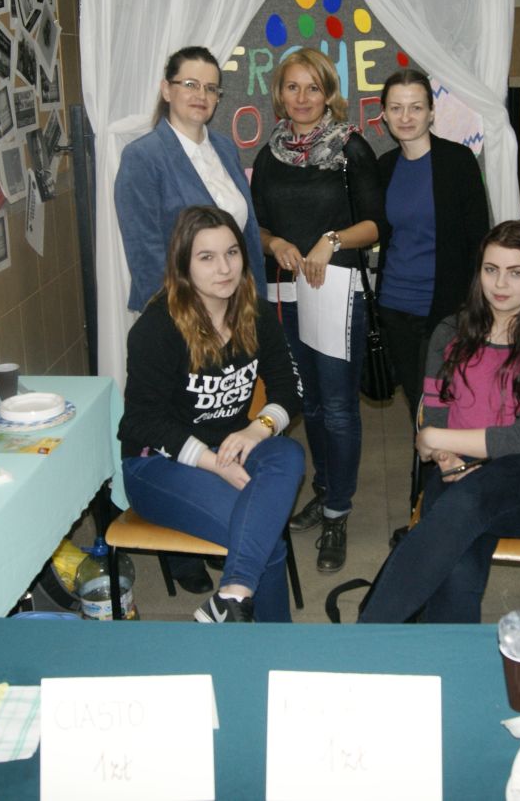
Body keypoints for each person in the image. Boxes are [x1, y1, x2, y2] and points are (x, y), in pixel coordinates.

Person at [358, 220, 520, 624]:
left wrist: (435, 438)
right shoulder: (450, 332)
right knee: (457, 567)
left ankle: (367, 632)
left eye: (516, 273)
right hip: (459, 470)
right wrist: (445, 458)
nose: (500, 284)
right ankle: (445, 656)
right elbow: (437, 412)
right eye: (491, 269)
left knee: (464, 503)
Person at [115, 45, 269, 594]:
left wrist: (251, 307)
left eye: (210, 87)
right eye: (189, 84)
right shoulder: (144, 157)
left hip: (233, 310)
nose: (200, 96)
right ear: (166, 89)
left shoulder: (223, 147)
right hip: (179, 323)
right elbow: (144, 252)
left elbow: (243, 237)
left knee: (224, 418)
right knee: (179, 422)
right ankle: (181, 538)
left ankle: (220, 519)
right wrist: (186, 326)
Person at [118, 206, 304, 623]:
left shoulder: (255, 313)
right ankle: (275, 644)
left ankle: (232, 598)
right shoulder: (157, 328)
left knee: (288, 454)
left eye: (232, 253)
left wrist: (258, 430)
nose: (224, 268)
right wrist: (212, 462)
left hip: (231, 448)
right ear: (183, 265)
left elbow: (290, 389)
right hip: (157, 464)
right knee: (264, 543)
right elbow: (141, 422)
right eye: (207, 257)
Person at [251, 47, 386, 573]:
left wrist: (331, 240)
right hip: (286, 290)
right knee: (307, 402)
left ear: (329, 92)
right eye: (292, 87)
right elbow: (258, 225)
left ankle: (337, 511)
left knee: (337, 405)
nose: (302, 98)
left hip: (337, 288)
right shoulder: (270, 154)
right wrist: (275, 243)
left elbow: (376, 224)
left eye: (313, 87)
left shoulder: (351, 148)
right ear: (279, 94)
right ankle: (326, 488)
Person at [377, 68, 490, 428]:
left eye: (415, 107)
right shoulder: (384, 167)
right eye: (396, 108)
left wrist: (476, 307)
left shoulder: (458, 162)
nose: (406, 117)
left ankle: (439, 461)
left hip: (445, 308)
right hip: (395, 305)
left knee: (444, 402)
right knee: (417, 401)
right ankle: (424, 463)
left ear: (431, 112)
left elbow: (479, 240)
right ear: (384, 115)